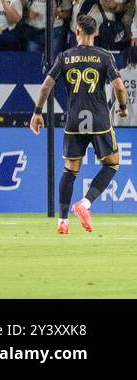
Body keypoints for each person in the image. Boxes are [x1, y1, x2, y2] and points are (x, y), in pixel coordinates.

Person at [31, 15, 128, 234]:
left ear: (76, 32)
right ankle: (84, 204)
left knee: (70, 170)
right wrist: (123, 107)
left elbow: (47, 85)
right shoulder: (104, 56)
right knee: (112, 164)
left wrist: (37, 112)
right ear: (96, 33)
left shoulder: (65, 57)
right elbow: (120, 87)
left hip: (74, 121)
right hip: (99, 120)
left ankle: (62, 222)